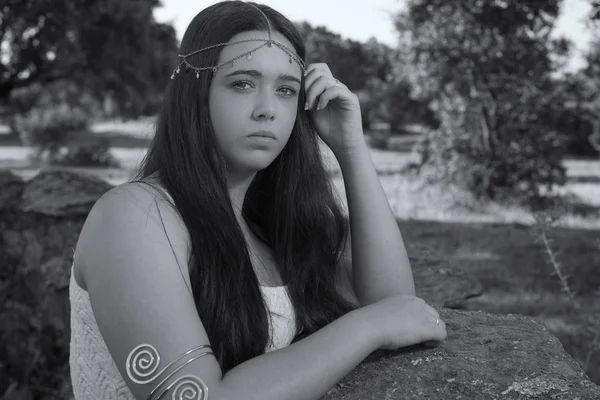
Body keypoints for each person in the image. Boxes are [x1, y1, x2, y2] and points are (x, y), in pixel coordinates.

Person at [68, 1, 447, 399]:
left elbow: (394, 307)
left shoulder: (269, 226)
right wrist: (367, 327)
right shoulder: (134, 216)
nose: (268, 110)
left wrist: (351, 149)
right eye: (242, 84)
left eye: (286, 90)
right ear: (196, 92)